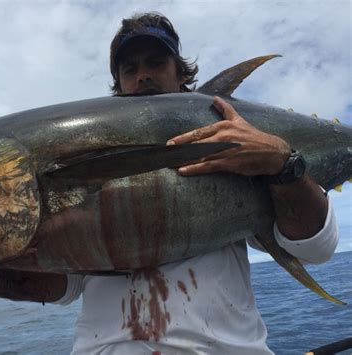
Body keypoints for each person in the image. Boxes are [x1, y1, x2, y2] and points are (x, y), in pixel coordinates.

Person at [51, 12, 338, 354]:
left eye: (156, 63)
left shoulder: (236, 134)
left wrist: (283, 163)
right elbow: (67, 285)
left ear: (180, 72)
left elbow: (315, 248)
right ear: (119, 83)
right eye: (130, 69)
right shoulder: (90, 148)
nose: (142, 76)